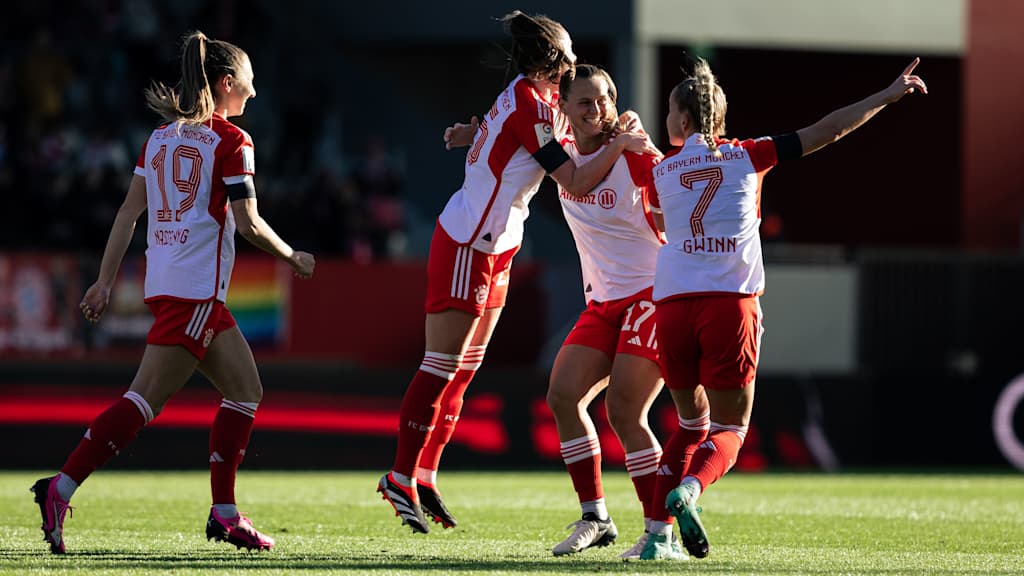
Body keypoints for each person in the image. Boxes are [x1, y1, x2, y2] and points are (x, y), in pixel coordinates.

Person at [31, 31, 315, 554]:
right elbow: (249, 223)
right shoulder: (233, 142)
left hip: (169, 284)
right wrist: (292, 256)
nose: (253, 95)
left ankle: (225, 513)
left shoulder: (159, 138)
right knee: (143, 400)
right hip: (195, 293)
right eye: (249, 85)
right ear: (227, 84)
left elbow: (127, 213)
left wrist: (104, 279)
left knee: (245, 391)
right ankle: (60, 487)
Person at [377, 11, 656, 534]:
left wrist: (470, 133)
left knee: (463, 372)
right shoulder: (532, 102)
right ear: (551, 59)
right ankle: (398, 474)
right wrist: (619, 144)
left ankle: (427, 473)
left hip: (498, 248)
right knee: (441, 364)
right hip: (468, 245)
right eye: (568, 54)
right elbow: (573, 177)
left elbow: (503, 127)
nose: (575, 62)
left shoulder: (534, 97)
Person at [640, 57, 927, 560]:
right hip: (729, 305)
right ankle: (690, 492)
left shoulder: (661, 170)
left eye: (669, 112)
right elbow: (830, 129)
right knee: (730, 429)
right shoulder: (751, 155)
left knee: (689, 424)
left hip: (671, 305)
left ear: (683, 121)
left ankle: (657, 539)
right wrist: (885, 96)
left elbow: (659, 219)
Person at [445, 64, 679, 559]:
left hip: (651, 296)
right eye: (585, 102)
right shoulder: (559, 152)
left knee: (625, 412)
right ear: (565, 112)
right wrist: (474, 134)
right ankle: (596, 516)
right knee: (562, 396)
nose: (598, 110)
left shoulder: (634, 152)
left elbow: (673, 201)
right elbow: (508, 132)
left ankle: (661, 533)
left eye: (605, 100)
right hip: (602, 303)